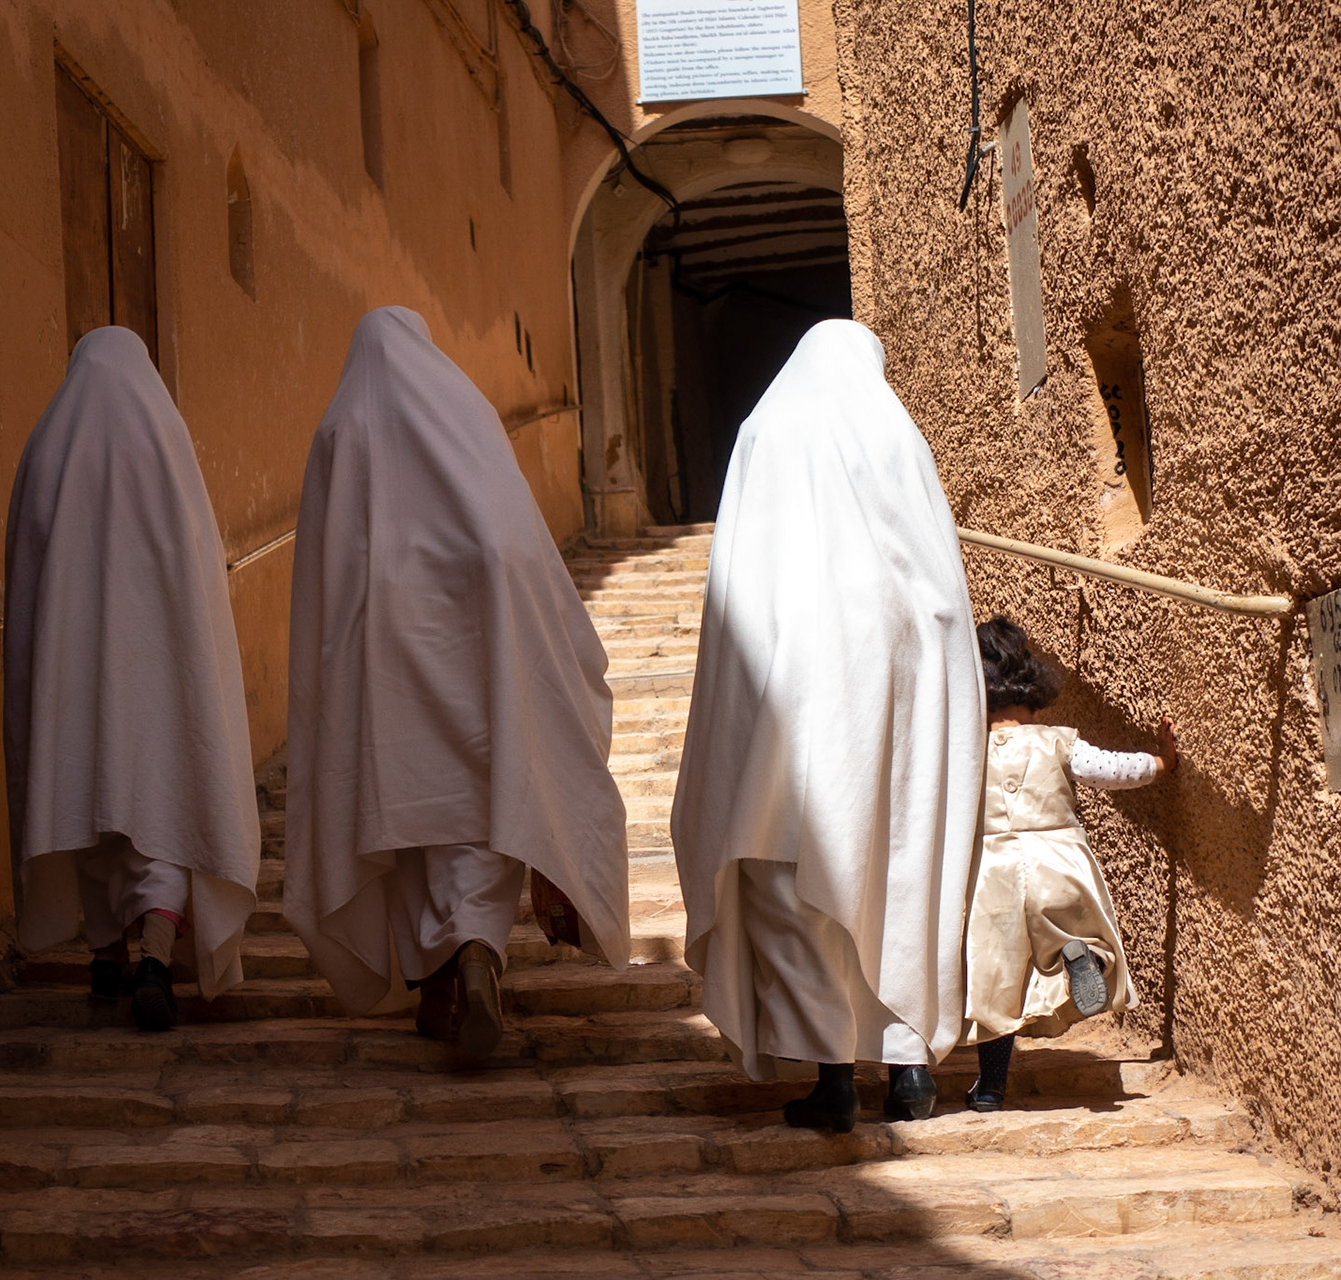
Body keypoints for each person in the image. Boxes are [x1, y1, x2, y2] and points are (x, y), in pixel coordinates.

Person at [283, 306, 630, 1065]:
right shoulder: (464, 410)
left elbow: (327, 572)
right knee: (485, 805)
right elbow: (515, 538)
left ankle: (437, 976)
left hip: (384, 662)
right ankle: (476, 955)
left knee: (408, 819)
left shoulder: (342, 426)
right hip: (479, 644)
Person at [672, 319, 985, 1131]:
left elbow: (738, 578)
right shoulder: (893, 431)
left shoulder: (767, 427)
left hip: (791, 672)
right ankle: (910, 1067)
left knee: (780, 870)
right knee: (897, 864)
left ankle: (834, 1076)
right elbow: (941, 585)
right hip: (896, 677)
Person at [2, 326, 261, 1032]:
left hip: (74, 681)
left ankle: (106, 955)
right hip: (160, 675)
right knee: (165, 809)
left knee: (86, 804)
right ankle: (155, 951)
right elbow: (200, 568)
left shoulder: (48, 444)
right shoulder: (164, 440)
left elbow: (24, 582)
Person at [962, 615, 1173, 1110]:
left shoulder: (964, 752)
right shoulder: (1058, 740)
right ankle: (1084, 957)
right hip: (1057, 860)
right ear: (1031, 686)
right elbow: (1114, 769)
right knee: (1072, 937)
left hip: (991, 870)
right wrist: (1162, 762)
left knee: (997, 979)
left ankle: (992, 1088)